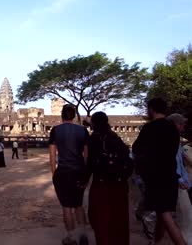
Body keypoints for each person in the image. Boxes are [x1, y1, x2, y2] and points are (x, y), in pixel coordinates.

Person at [133, 98, 187, 245]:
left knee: (165, 215)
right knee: (163, 214)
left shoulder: (149, 128)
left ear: (151, 109)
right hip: (171, 176)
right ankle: (156, 242)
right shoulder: (173, 130)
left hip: (156, 178)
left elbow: (136, 149)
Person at [87, 112, 133, 245]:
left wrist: (83, 180)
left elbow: (90, 164)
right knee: (119, 218)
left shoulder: (94, 139)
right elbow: (128, 160)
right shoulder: (115, 138)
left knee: (100, 218)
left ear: (94, 124)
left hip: (102, 185)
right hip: (119, 185)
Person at [49, 104, 90, 245]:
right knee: (79, 204)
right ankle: (83, 235)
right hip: (79, 171)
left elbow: (52, 156)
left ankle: (71, 237)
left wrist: (54, 174)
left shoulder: (55, 130)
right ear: (73, 116)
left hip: (63, 172)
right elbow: (86, 156)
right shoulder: (83, 130)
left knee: (66, 206)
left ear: (62, 115)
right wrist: (85, 173)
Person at [167, 113, 192, 240]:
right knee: (186, 216)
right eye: (181, 124)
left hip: (179, 181)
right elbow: (173, 162)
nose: (183, 127)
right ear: (175, 124)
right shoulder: (170, 139)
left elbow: (180, 163)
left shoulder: (175, 139)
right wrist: (180, 179)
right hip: (176, 182)